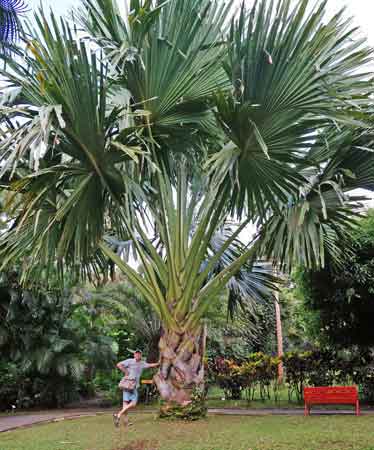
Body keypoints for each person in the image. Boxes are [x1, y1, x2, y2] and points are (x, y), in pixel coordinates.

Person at [113, 349, 159, 428]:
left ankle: (124, 420)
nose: (138, 355)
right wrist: (126, 372)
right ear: (134, 355)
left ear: (141, 355)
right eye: (136, 354)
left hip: (134, 385)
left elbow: (150, 365)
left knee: (126, 405)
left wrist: (159, 363)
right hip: (128, 385)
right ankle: (119, 415)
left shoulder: (142, 363)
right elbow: (119, 364)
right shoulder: (130, 361)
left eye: (139, 354)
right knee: (132, 403)